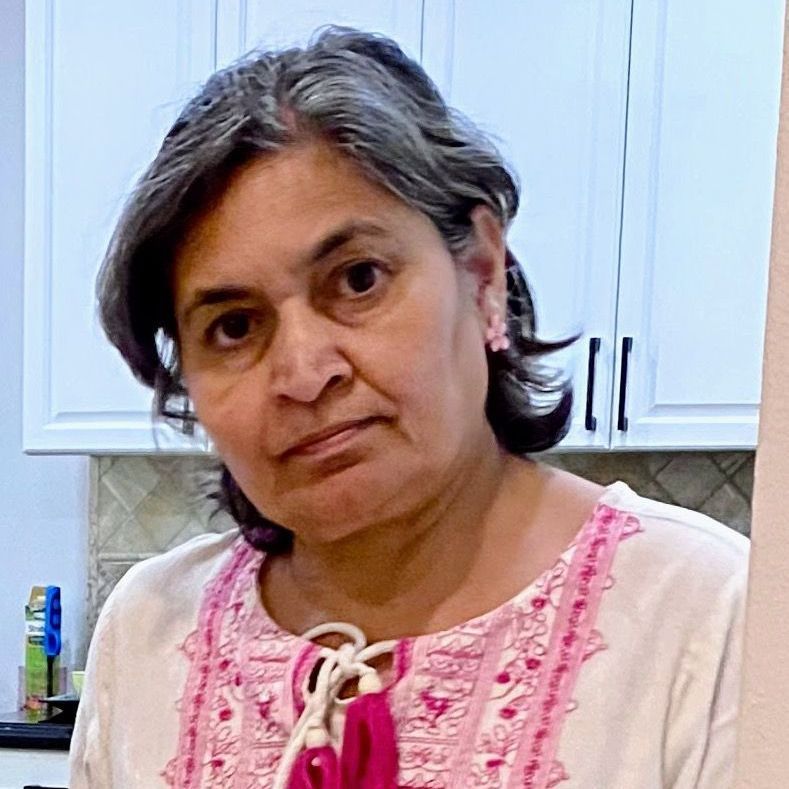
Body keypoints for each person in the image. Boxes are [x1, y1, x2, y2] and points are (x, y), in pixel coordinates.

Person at [69, 26, 749, 788]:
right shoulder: (150, 632)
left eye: (358, 279)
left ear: (482, 272)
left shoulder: (707, 617)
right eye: (233, 326)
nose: (303, 371)